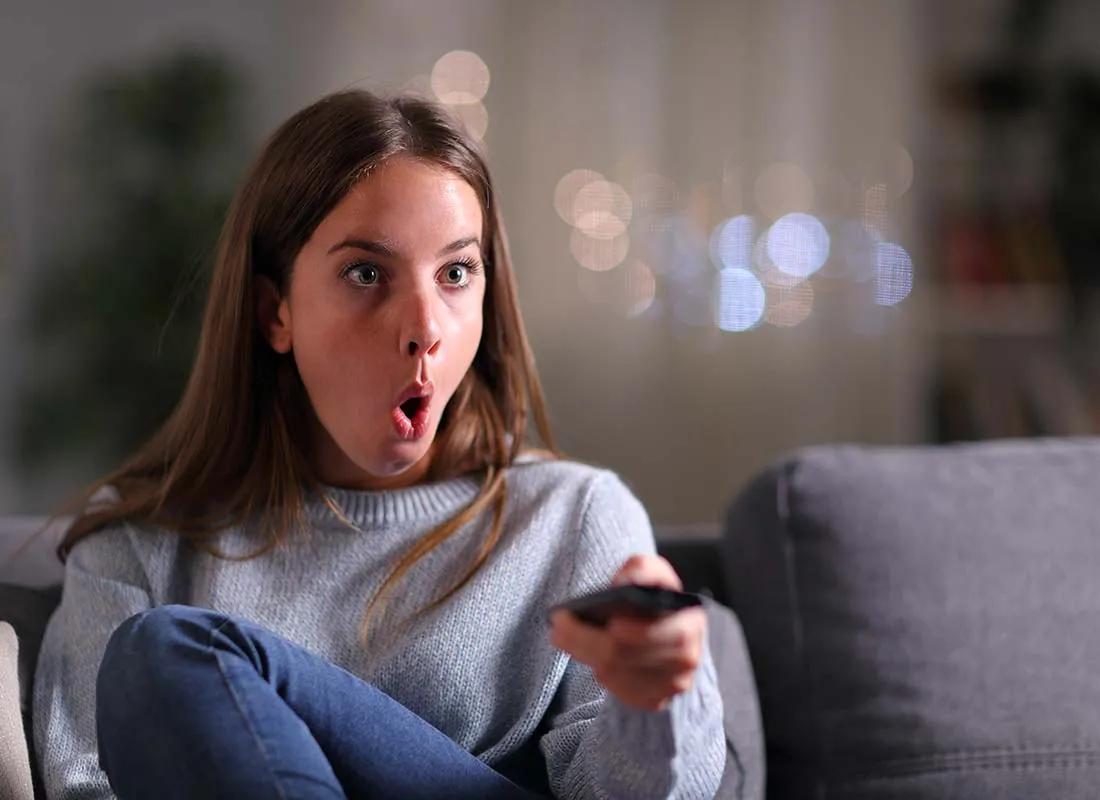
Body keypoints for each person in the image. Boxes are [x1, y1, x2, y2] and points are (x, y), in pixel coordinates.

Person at [33, 89, 727, 800]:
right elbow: (88, 786)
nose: (426, 327)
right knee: (164, 655)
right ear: (277, 313)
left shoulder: (573, 517)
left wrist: (654, 706)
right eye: (366, 274)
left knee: (171, 650)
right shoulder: (138, 545)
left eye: (457, 273)